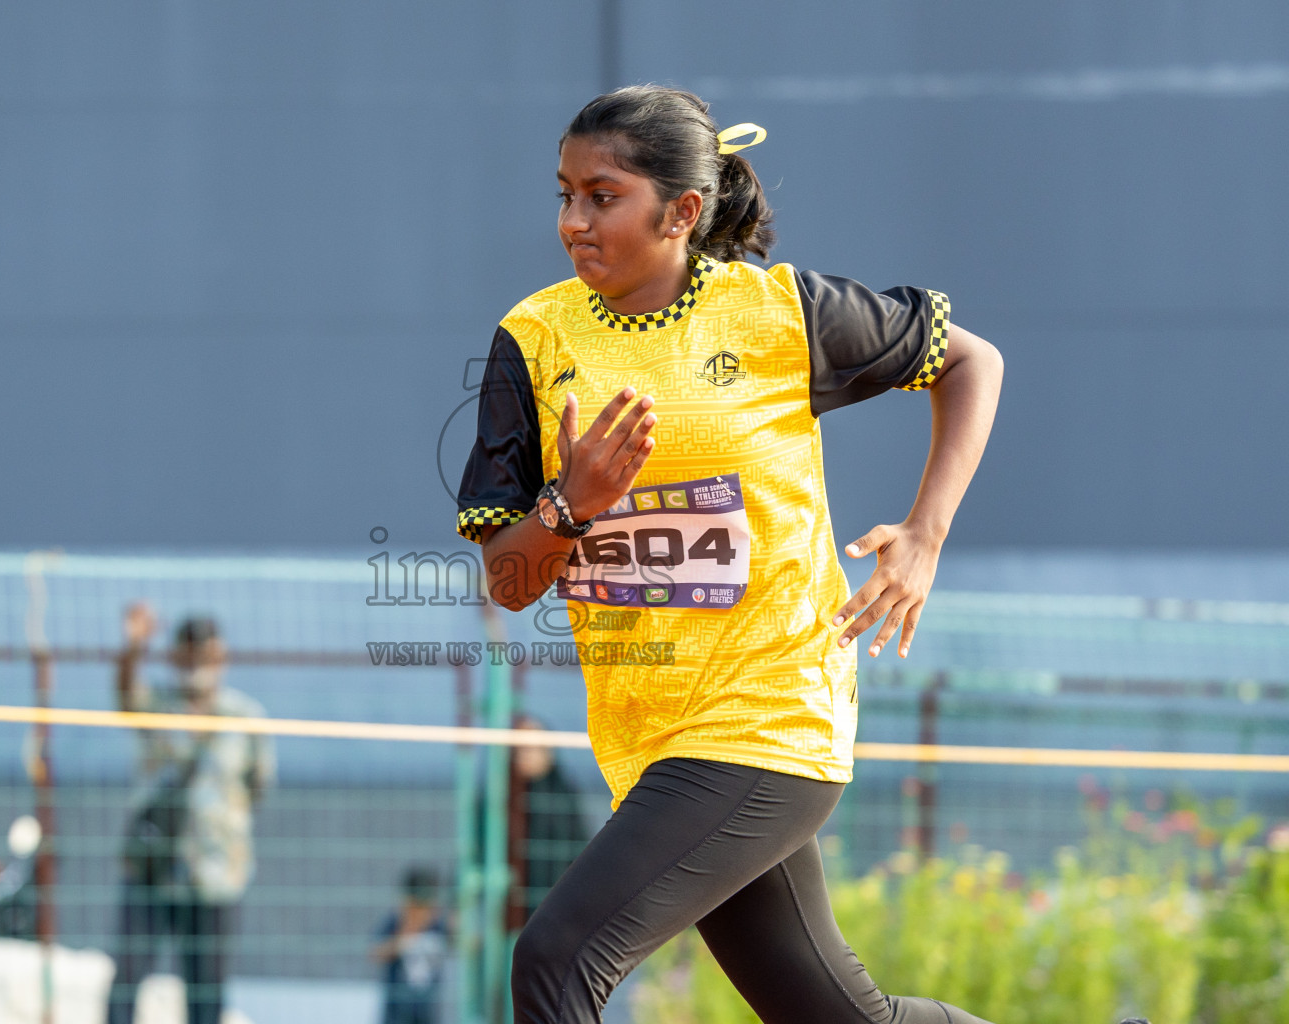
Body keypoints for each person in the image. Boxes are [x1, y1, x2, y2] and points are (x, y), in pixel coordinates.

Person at [453, 85, 1144, 1024]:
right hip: (646, 738)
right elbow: (505, 580)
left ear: (682, 211)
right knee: (839, 1017)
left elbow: (972, 362)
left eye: (602, 195)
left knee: (557, 959)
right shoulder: (531, 341)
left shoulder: (781, 314)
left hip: (771, 715)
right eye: (565, 193)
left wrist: (923, 535)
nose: (574, 220)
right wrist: (572, 505)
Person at [105, 604, 274, 1024]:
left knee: (206, 988)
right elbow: (125, 696)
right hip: (153, 865)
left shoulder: (245, 716)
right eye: (189, 656)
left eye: (207, 656)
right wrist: (133, 648)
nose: (198, 666)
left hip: (216, 872)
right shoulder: (157, 705)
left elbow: (257, 784)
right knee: (128, 977)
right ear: (175, 657)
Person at [509, 716, 589, 921]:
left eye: (532, 748)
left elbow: (578, 848)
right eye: (519, 748)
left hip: (555, 904)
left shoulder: (562, 794)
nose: (524, 755)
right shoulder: (498, 795)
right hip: (509, 907)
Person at [371, 865, 449, 1024]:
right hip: (397, 1009)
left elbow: (465, 943)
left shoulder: (439, 925)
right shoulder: (395, 922)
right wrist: (409, 930)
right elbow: (376, 953)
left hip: (428, 1006)